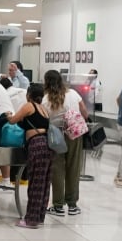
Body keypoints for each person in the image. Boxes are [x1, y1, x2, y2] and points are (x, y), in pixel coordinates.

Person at [42, 69, 88, 216]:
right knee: (74, 168)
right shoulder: (73, 94)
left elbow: (44, 118)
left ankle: (58, 206)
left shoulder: (46, 99)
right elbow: (84, 112)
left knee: (57, 170)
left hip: (55, 135)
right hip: (74, 134)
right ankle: (73, 205)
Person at [7, 84, 52, 228]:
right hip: (48, 146)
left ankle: (30, 220)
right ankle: (39, 217)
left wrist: (8, 115)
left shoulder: (29, 106)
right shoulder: (44, 109)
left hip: (36, 145)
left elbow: (13, 120)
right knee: (44, 184)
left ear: (29, 94)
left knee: (35, 183)